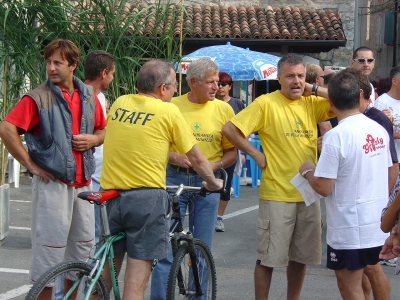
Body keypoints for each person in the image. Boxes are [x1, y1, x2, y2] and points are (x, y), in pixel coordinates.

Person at [100, 59, 223, 299]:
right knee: (136, 281)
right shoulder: (168, 110)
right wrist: (214, 181)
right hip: (145, 199)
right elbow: (197, 158)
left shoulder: (120, 102)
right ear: (162, 89)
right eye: (174, 85)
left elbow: (137, 142)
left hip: (110, 195)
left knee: (106, 274)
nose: (177, 90)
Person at [222, 53, 334, 300]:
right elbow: (230, 129)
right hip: (277, 194)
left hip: (308, 192)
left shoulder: (311, 102)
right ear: (279, 78)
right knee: (268, 258)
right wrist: (254, 153)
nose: (296, 82)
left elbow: (354, 101)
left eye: (301, 76)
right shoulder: (266, 103)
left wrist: (313, 88)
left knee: (301, 257)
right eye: (290, 76)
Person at [0, 39, 107, 297]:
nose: (50, 67)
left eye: (57, 62)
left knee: (81, 254)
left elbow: (102, 130)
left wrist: (93, 139)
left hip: (83, 185)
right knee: (48, 258)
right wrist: (30, 165)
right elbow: (6, 128)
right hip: (53, 186)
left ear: (73, 65)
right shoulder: (37, 97)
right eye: (48, 62)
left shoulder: (89, 97)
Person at [299, 71, 392, 300]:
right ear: (361, 95)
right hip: (376, 220)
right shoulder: (378, 129)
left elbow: (323, 187)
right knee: (374, 271)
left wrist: (308, 170)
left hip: (349, 225)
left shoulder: (336, 136)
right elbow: (389, 168)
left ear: (330, 103)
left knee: (348, 285)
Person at [150, 58, 237, 299]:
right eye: (210, 82)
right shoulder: (172, 106)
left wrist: (214, 165)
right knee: (165, 248)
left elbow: (232, 152)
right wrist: (176, 157)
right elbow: (155, 144)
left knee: (201, 248)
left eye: (217, 82)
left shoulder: (224, 109)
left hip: (206, 184)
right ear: (193, 82)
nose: (215, 87)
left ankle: (197, 296)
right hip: (174, 177)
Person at [339, 67, 394, 300]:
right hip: (358, 209)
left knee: (371, 267)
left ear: (361, 93)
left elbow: (393, 166)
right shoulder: (348, 115)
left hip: (370, 209)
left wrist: (385, 207)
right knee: (361, 270)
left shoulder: (378, 119)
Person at [83, 50, 116, 245]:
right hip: (87, 173)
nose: (112, 79)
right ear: (104, 73)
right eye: (112, 74)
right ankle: (86, 273)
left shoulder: (101, 98)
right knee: (90, 234)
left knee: (97, 231)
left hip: (100, 172)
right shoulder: (80, 96)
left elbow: (103, 130)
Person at [215, 71, 245, 232]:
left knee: (226, 184)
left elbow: (243, 127)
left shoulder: (236, 104)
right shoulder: (210, 102)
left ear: (230, 86)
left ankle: (219, 216)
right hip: (213, 148)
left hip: (230, 149)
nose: (220, 87)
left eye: (223, 84)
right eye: (218, 84)